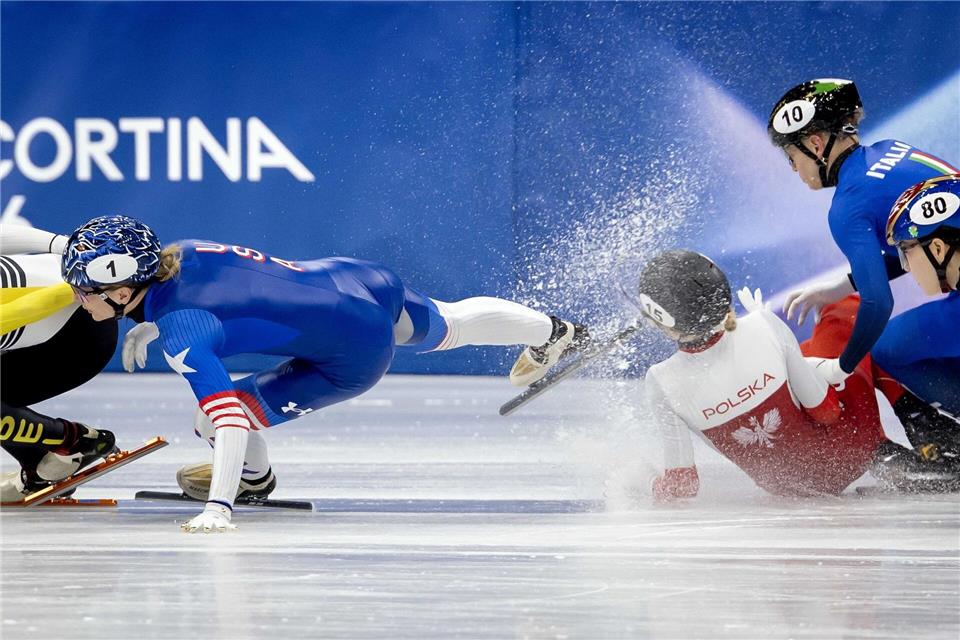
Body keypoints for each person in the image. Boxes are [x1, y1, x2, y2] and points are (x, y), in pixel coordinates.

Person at [61, 215, 588, 532]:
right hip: (355, 279)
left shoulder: (183, 333)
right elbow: (229, 294)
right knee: (450, 324)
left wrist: (218, 508)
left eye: (84, 290)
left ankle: (251, 482)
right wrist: (148, 323)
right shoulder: (184, 252)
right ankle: (556, 332)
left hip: (353, 355)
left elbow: (228, 421)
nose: (79, 299)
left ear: (123, 291)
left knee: (209, 419)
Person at [637, 250, 958, 502]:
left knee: (805, 353)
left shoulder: (660, 380)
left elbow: (683, 485)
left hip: (788, 486)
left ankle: (897, 450)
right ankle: (919, 434)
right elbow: (827, 411)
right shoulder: (761, 326)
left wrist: (637, 480)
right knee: (850, 315)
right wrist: (798, 359)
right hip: (852, 449)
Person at [768, 78, 960, 414]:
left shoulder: (847, 207)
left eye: (791, 156)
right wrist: (844, 285)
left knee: (884, 349)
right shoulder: (893, 148)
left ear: (815, 144)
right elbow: (930, 237)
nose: (795, 168)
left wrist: (840, 366)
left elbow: (878, 303)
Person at [0, 224, 118, 502]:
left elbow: (28, 307)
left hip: (78, 337)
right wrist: (61, 246)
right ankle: (39, 458)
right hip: (66, 307)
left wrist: (66, 256)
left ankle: (75, 441)